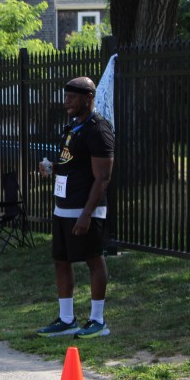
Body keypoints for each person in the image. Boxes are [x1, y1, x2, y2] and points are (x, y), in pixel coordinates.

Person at [37, 77, 115, 339]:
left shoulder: (99, 129)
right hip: (63, 206)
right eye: (66, 96)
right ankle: (67, 318)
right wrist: (52, 168)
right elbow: (72, 163)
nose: (66, 101)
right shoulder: (72, 127)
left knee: (94, 258)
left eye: (72, 97)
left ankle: (98, 320)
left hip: (86, 208)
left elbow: (102, 177)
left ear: (88, 98)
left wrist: (86, 214)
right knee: (61, 260)